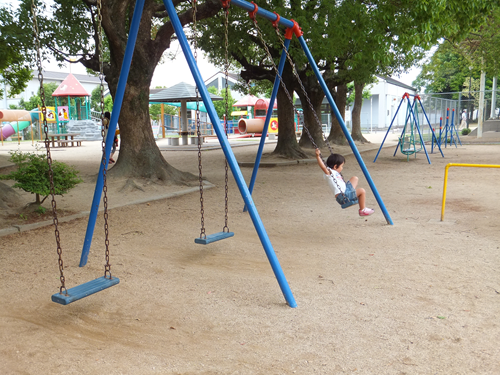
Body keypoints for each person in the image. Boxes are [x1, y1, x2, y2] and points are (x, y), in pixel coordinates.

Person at [315, 149, 374, 216]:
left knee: (355, 178)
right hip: (343, 197)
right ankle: (362, 210)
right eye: (341, 166)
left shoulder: (335, 172)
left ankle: (353, 196)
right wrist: (318, 156)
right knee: (362, 191)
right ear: (335, 166)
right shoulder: (330, 173)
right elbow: (323, 167)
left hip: (346, 191)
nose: (342, 168)